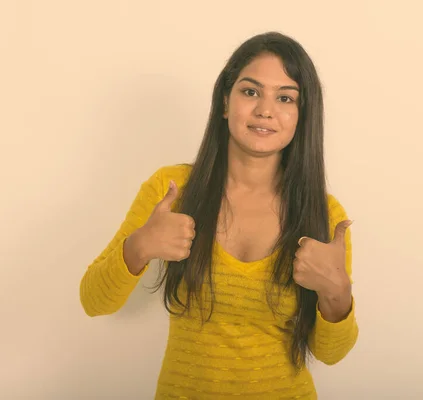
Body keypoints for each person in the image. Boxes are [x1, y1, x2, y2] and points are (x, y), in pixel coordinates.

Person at [79, 31, 358, 399]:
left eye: (286, 98)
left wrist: (336, 291)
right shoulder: (172, 188)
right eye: (251, 91)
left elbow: (331, 354)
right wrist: (140, 246)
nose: (265, 110)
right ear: (225, 102)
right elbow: (93, 301)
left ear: (301, 117)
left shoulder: (325, 213)